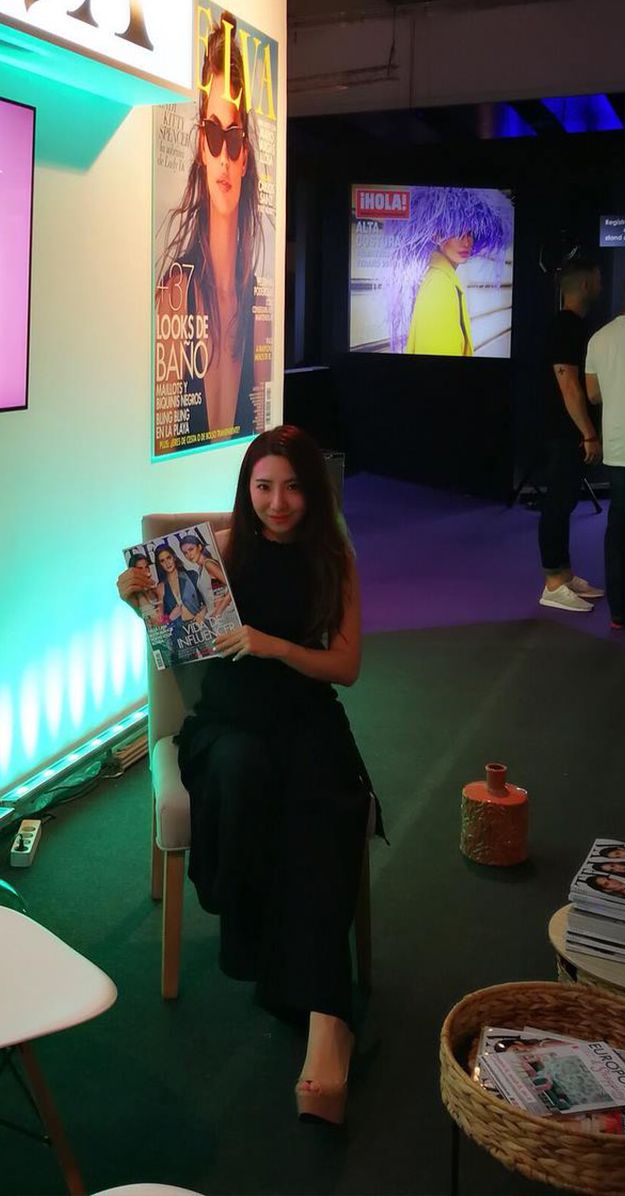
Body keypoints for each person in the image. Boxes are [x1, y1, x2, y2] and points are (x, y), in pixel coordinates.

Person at [117, 426, 380, 1126]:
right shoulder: (223, 547)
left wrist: (274, 646)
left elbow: (346, 667)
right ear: (248, 488)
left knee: (325, 803)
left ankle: (327, 1017)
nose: (277, 502)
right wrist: (133, 593)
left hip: (306, 714)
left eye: (292, 487)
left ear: (313, 490)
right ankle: (267, 945)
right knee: (241, 772)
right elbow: (174, 624)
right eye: (264, 487)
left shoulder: (334, 556)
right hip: (229, 718)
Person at [154, 11, 267, 442]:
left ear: (245, 157)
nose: (223, 157)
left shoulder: (257, 307)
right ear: (202, 146)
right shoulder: (174, 296)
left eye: (233, 138)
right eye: (214, 135)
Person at [538, 254, 604, 612]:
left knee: (564, 503)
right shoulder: (565, 327)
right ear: (585, 284)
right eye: (598, 279)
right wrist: (588, 433)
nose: (602, 286)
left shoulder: (574, 326)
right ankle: (552, 583)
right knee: (556, 504)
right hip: (564, 432)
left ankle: (564, 574)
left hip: (569, 432)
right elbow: (569, 385)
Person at [391, 187, 512, 355]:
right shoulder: (440, 286)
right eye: (457, 232)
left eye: (470, 233)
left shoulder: (442, 278)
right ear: (437, 236)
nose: (467, 242)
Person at [585, 284, 625, 629]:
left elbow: (593, 395)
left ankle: (619, 611)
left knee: (619, 529)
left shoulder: (599, 339)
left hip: (617, 446)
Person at [178, 529, 232, 617]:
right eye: (185, 553)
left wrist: (218, 611)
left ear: (199, 547)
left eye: (191, 549)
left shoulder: (208, 564)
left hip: (225, 614)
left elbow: (231, 586)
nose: (189, 555)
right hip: (216, 616)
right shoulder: (200, 569)